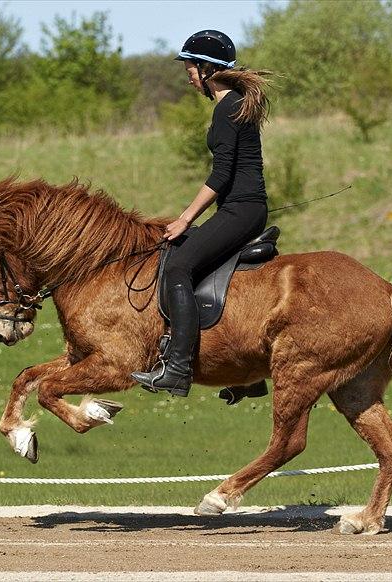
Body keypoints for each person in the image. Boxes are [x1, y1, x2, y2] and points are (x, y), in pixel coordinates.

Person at [131, 30, 272, 397]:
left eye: (190, 67)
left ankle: (177, 367)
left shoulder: (227, 108)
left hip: (240, 210)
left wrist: (185, 218)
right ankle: (250, 376)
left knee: (178, 267)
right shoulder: (234, 103)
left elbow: (221, 175)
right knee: (187, 258)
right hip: (244, 208)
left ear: (208, 68)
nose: (187, 75)